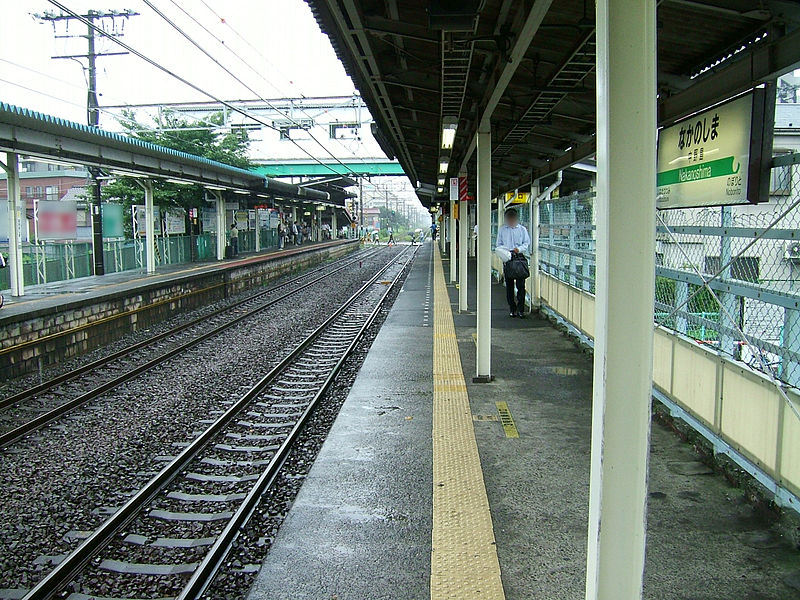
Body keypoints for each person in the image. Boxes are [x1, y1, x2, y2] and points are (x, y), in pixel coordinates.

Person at [495, 208, 531, 318]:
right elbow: (498, 244)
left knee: (521, 285)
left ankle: (521, 309)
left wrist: (519, 249)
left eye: (512, 218)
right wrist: (504, 250)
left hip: (519, 258)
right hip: (508, 258)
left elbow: (526, 243)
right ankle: (512, 308)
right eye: (509, 219)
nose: (511, 221)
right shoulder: (502, 230)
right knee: (509, 286)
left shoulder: (522, 229)